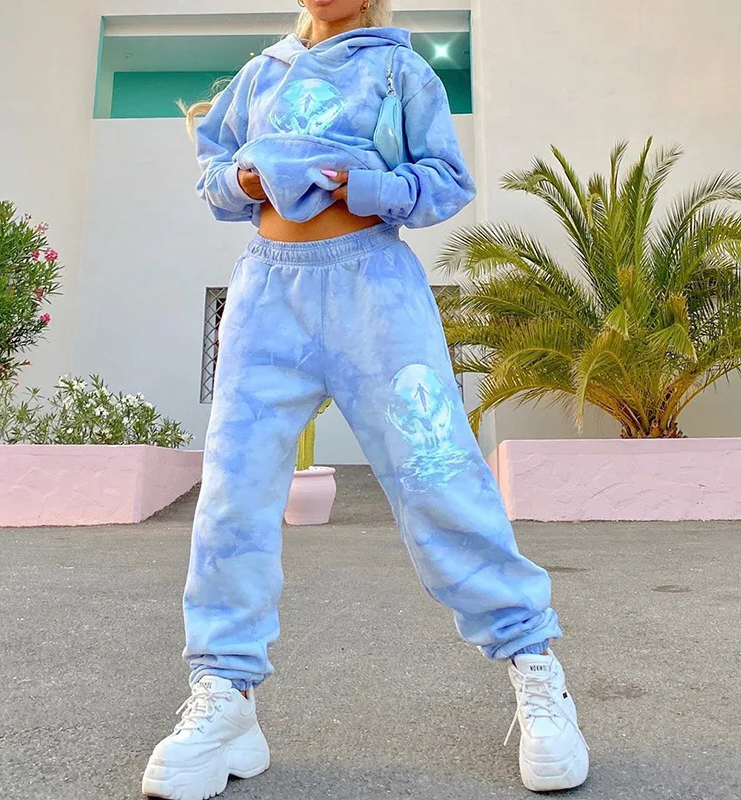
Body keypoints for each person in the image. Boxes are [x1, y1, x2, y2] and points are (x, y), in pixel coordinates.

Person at [141, 0, 589, 797]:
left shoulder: (399, 69)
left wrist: (370, 185)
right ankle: (225, 697)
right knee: (233, 498)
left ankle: (535, 667)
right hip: (265, 295)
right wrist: (243, 178)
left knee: (439, 477)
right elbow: (214, 174)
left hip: (375, 292)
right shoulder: (260, 75)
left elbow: (446, 182)